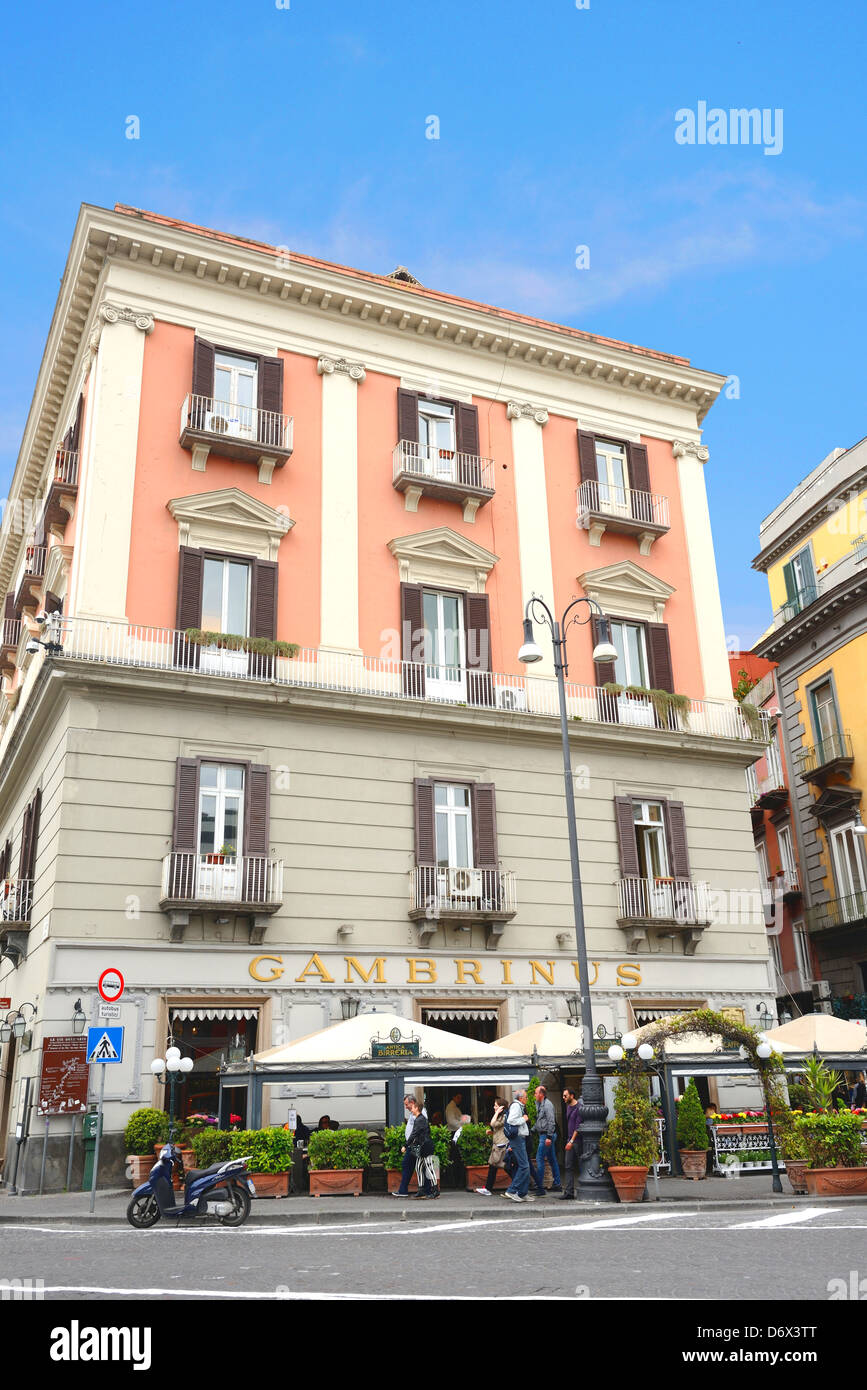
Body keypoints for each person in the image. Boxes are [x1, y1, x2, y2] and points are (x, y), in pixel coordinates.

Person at [392, 1094, 426, 1198]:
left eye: (406, 1104)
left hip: (416, 1144)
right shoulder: (413, 1113)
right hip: (413, 1144)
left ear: (412, 1103)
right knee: (410, 1166)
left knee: (414, 1166)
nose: (405, 1106)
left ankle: (424, 1190)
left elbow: (418, 1130)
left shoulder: (420, 1112)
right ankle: (404, 1190)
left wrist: (407, 1145)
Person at [502, 1089, 533, 1203]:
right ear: (521, 1098)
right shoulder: (516, 1106)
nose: (527, 1099)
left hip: (520, 1139)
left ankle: (522, 1193)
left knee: (525, 1166)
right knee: (524, 1166)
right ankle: (512, 1190)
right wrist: (523, 1119)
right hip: (517, 1139)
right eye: (526, 1097)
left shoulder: (518, 1106)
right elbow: (511, 1120)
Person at [531, 1085, 562, 1196]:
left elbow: (551, 1121)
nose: (534, 1095)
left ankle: (539, 1187)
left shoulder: (548, 1105)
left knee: (539, 1158)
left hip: (546, 1136)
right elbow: (540, 1121)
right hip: (544, 1135)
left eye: (536, 1093)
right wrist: (532, 1130)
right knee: (552, 1159)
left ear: (541, 1094)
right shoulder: (539, 1104)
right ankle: (557, 1184)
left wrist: (549, 1137)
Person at [406, 1098, 439, 1199]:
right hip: (422, 1147)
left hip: (425, 1147)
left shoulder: (420, 1119)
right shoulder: (418, 1119)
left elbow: (414, 1134)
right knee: (418, 1167)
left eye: (413, 1108)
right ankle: (421, 1190)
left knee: (430, 1168)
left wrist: (405, 1145)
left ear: (417, 1108)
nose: (411, 1109)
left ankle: (435, 1190)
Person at [475, 1099, 508, 1195]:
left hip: (501, 1145)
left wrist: (497, 1112)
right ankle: (488, 1188)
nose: (494, 1107)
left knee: (506, 1167)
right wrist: (492, 1132)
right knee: (494, 1166)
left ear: (501, 1107)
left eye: (496, 1106)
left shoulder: (504, 1116)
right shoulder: (502, 1117)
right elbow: (499, 1129)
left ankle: (519, 1186)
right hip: (498, 1144)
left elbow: (493, 1123)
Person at [559, 1087, 580, 1200]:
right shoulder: (568, 1107)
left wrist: (571, 1141)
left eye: (565, 1096)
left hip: (576, 1141)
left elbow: (578, 1127)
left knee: (581, 1166)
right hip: (570, 1140)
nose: (563, 1098)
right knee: (568, 1166)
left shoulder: (579, 1108)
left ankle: (582, 1190)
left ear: (572, 1095)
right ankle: (569, 1192)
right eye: (563, 1096)